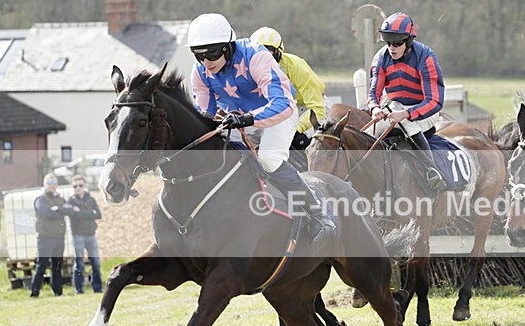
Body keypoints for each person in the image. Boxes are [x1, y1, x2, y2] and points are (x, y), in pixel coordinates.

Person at [187, 13, 335, 240]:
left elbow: (283, 104)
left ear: (228, 47)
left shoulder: (255, 54)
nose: (207, 62)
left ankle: (319, 213)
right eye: (199, 55)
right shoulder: (200, 73)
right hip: (241, 120)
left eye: (213, 53)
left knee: (268, 159)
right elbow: (204, 116)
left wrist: (246, 119)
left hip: (280, 115)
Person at [367, 12, 447, 191]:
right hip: (396, 107)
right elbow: (373, 92)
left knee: (405, 121)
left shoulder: (425, 57)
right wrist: (374, 108)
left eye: (397, 43)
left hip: (426, 109)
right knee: (373, 130)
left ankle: (431, 170)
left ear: (408, 41)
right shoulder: (381, 57)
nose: (391, 48)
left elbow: (435, 100)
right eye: (388, 43)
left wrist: (407, 113)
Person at [30, 173, 73, 297]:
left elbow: (69, 210)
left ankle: (58, 292)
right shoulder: (41, 199)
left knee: (57, 267)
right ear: (44, 185)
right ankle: (34, 293)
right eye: (49, 183)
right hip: (45, 238)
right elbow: (47, 213)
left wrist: (57, 208)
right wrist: (61, 211)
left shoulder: (60, 199)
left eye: (54, 183)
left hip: (59, 238)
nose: (52, 186)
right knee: (41, 266)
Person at [68, 175, 103, 294]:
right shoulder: (71, 201)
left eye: (80, 185)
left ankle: (97, 288)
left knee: (96, 263)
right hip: (78, 236)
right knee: (79, 264)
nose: (78, 188)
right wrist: (89, 213)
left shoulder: (91, 199)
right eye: (75, 186)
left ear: (85, 186)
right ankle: (79, 289)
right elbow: (74, 214)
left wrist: (81, 213)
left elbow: (98, 214)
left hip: (91, 235)